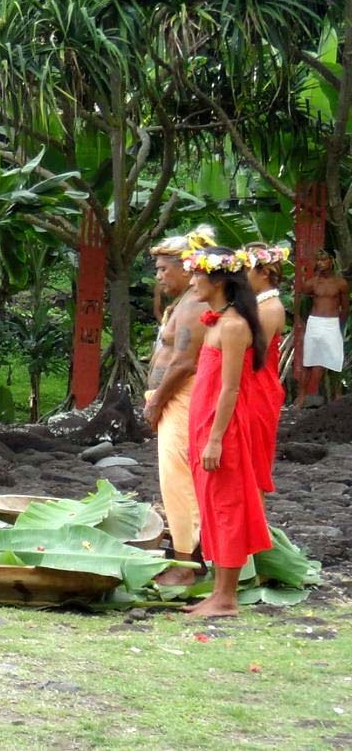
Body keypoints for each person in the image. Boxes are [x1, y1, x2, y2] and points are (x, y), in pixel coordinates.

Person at [183, 247, 275, 617]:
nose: (192, 283)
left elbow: (231, 388)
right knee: (212, 507)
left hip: (224, 430)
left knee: (228, 508)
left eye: (196, 276)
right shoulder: (216, 321)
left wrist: (217, 438)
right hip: (205, 425)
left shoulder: (235, 325)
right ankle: (219, 593)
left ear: (218, 280)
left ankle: (227, 597)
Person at [142, 228, 214, 584]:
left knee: (179, 480)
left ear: (187, 267)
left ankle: (188, 563)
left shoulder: (194, 304)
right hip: (172, 399)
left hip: (180, 398)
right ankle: (188, 555)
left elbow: (184, 362)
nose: (158, 276)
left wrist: (156, 401)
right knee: (175, 478)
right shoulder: (184, 301)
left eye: (163, 269)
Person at [246, 242, 290, 480]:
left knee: (254, 464)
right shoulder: (259, 305)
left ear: (263, 273)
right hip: (254, 386)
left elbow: (253, 354)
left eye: (246, 269)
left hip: (258, 388)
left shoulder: (269, 309)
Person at [298, 248, 347, 405]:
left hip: (332, 323)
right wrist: (307, 323)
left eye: (324, 260)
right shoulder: (311, 284)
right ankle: (301, 396)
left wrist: (340, 326)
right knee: (309, 360)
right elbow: (302, 306)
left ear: (331, 261)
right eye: (318, 260)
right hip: (315, 322)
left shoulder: (340, 283)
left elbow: (345, 308)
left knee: (335, 359)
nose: (321, 263)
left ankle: (337, 396)